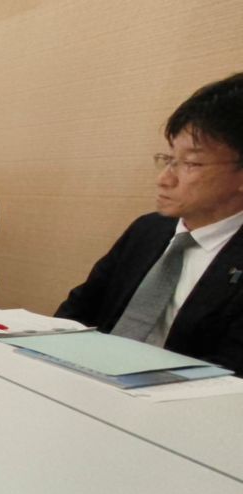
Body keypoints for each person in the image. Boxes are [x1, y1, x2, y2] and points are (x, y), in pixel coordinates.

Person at [57, 72, 243, 374]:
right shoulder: (148, 230)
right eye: (168, 159)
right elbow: (77, 311)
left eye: (191, 163)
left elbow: (229, 375)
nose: (164, 179)